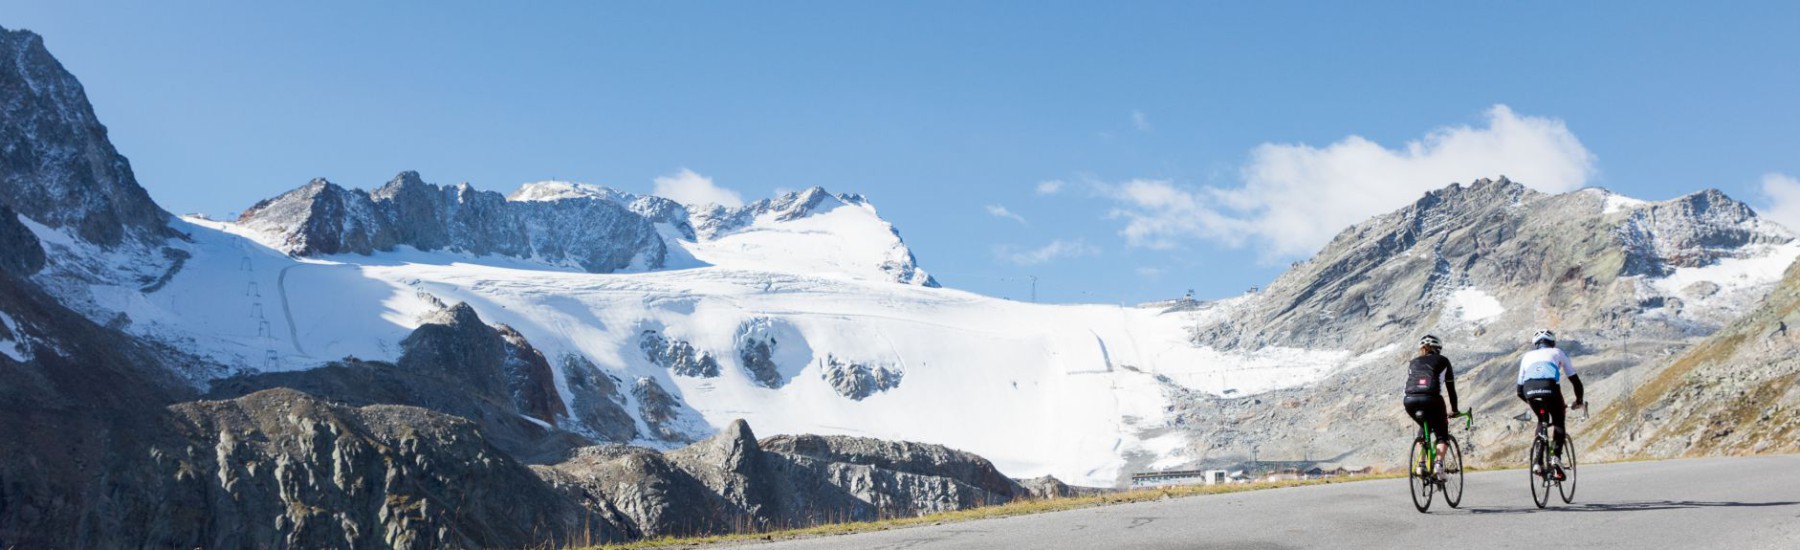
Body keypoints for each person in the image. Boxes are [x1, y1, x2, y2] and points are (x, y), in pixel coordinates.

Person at [1516, 329, 1584, 478]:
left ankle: (1537, 463)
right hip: (1550, 388)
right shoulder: (1558, 352)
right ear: (1552, 342)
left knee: (1542, 420)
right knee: (1559, 421)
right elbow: (1575, 380)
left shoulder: (1527, 356)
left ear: (1536, 344)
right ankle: (1556, 458)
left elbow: (1519, 390)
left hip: (1529, 391)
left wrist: (1532, 402)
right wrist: (1579, 400)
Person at [1403, 335, 1460, 478]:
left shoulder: (1413, 362)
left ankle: (1421, 466)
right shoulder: (1443, 361)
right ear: (1438, 349)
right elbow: (1451, 389)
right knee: (1442, 433)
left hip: (1409, 400)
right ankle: (1438, 466)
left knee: (1424, 428)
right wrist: (1454, 409)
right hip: (1432, 399)